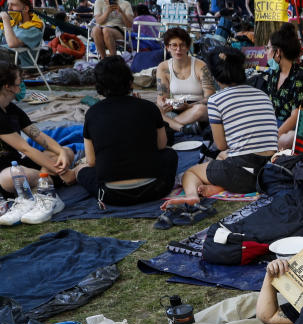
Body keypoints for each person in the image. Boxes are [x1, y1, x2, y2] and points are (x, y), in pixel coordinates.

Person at [166, 46, 277, 207]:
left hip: (243, 174)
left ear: (215, 76)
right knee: (223, 157)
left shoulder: (216, 100)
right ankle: (217, 186)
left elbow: (221, 145)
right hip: (268, 172)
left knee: (190, 173)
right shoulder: (263, 95)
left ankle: (192, 196)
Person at [63, 56, 177, 207]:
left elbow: (91, 161)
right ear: (130, 81)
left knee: (82, 170)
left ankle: (75, 173)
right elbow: (162, 145)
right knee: (170, 154)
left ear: (99, 86)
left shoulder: (92, 113)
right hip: (155, 189)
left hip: (111, 195)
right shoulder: (149, 108)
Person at [0, 62, 75, 225]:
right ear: (8, 86)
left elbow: (39, 136)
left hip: (18, 165)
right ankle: (47, 191)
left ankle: (41, 189)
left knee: (67, 152)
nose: (22, 84)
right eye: (20, 80)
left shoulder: (11, 109)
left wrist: (61, 152)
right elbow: (25, 148)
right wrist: (60, 171)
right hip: (6, 173)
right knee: (11, 176)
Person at [264, 23, 303, 149]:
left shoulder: (301, 77)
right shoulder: (273, 74)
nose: (266, 52)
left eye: (268, 48)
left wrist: (274, 136)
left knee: (288, 138)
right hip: (279, 124)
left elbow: (297, 116)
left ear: (277, 52)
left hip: (302, 128)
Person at [155, 28, 214, 134]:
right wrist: (163, 104)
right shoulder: (163, 67)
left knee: (201, 109)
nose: (178, 49)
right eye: (174, 45)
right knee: (155, 109)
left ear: (187, 47)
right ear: (167, 47)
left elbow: (210, 97)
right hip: (175, 107)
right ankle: (183, 129)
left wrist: (189, 105)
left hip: (196, 107)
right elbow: (161, 97)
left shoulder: (201, 66)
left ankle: (169, 128)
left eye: (182, 45)